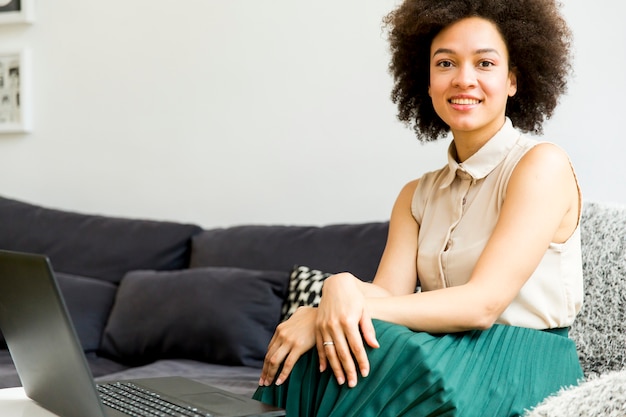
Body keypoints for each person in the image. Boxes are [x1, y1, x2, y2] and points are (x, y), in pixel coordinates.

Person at [254, 0, 584, 415]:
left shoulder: (541, 165)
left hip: (523, 361)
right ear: (426, 82)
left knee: (348, 334)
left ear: (513, 80)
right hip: (447, 350)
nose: (464, 80)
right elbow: (389, 294)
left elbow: (482, 304)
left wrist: (330, 314)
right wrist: (334, 291)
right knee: (328, 344)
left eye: (485, 64)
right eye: (446, 64)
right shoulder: (416, 194)